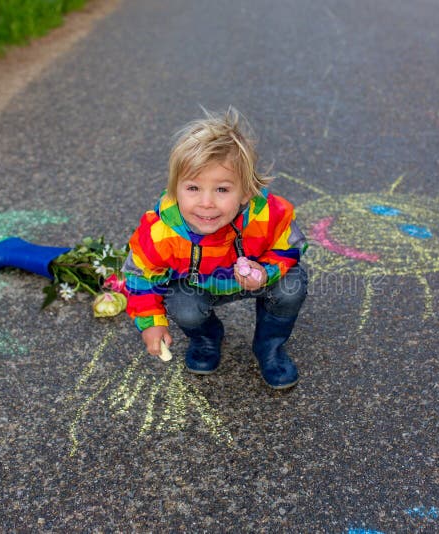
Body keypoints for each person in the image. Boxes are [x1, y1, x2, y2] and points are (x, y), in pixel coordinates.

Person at [123, 107, 308, 389]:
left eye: (222, 190)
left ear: (246, 191)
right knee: (184, 307)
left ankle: (269, 348)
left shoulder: (269, 214)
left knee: (292, 285)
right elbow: (139, 276)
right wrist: (150, 322)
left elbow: (291, 246)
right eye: (193, 188)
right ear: (175, 189)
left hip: (255, 278)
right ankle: (207, 338)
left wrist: (266, 270)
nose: (206, 203)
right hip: (197, 286)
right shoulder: (162, 232)